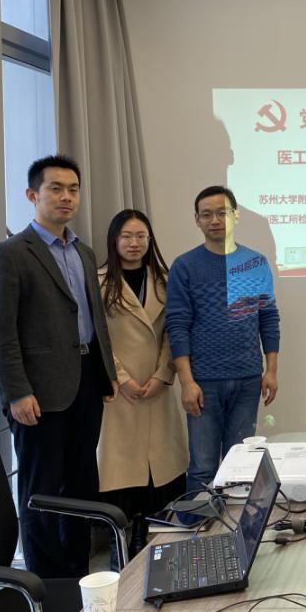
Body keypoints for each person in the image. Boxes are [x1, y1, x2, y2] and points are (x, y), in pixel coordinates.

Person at [0, 154, 116, 578]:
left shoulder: (83, 251)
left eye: (73, 189)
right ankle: (46, 585)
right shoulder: (9, 254)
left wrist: (106, 374)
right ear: (32, 195)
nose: (66, 197)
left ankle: (78, 574)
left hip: (86, 383)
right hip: (37, 393)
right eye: (55, 188)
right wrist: (17, 391)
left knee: (81, 483)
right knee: (40, 490)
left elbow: (93, 319)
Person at [166, 186, 280, 494]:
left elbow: (268, 318)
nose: (215, 220)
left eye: (222, 213)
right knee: (203, 466)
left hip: (247, 378)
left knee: (241, 465)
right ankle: (198, 523)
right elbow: (177, 325)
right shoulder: (185, 266)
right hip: (204, 382)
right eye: (207, 214)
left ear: (235, 216)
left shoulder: (255, 263)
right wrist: (186, 382)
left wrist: (271, 370)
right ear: (197, 220)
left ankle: (238, 525)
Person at [97, 209, 187, 557]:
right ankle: (124, 542)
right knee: (122, 471)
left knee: (160, 470)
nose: (134, 243)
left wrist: (163, 374)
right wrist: (121, 377)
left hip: (157, 388)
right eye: (126, 236)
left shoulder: (166, 280)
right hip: (119, 393)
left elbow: (174, 332)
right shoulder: (98, 281)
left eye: (141, 236)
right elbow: (97, 337)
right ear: (114, 240)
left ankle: (151, 536)